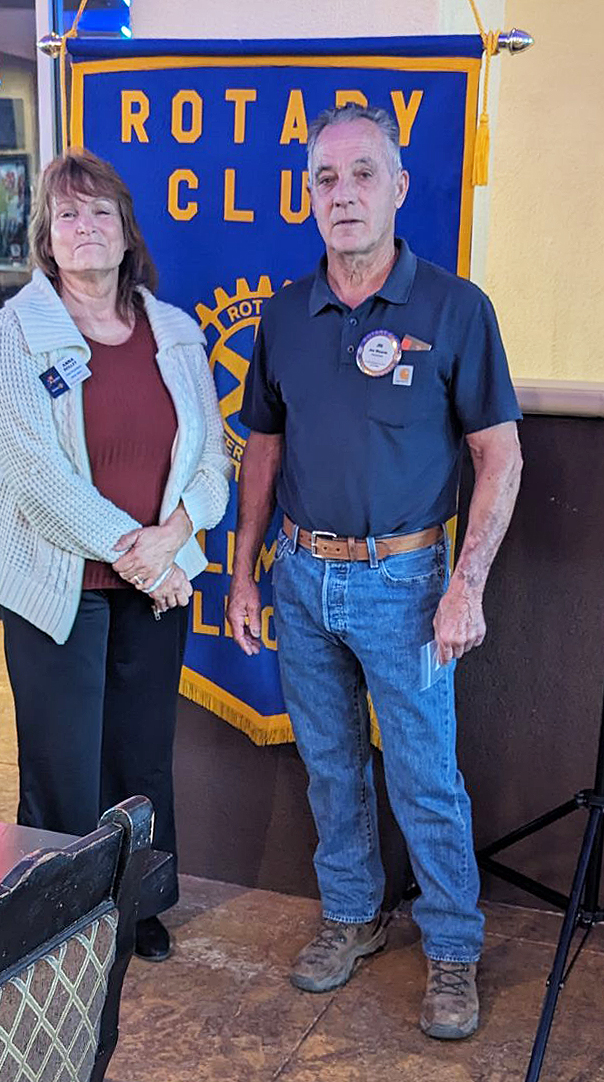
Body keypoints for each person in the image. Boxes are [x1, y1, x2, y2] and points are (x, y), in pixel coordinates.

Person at [228, 104, 522, 1040]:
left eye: (362, 174)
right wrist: (242, 575)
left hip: (409, 587)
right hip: (302, 582)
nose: (342, 194)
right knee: (329, 768)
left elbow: (499, 456)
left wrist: (464, 583)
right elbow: (261, 454)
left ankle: (450, 950)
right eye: (324, 178)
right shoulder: (284, 314)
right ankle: (353, 918)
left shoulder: (454, 309)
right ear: (308, 196)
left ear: (398, 188)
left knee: (425, 776)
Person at [0, 149, 230, 962]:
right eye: (66, 215)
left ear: (126, 231)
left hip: (152, 583)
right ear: (46, 239)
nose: (84, 228)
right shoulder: (17, 331)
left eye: (100, 213)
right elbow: (33, 475)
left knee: (139, 753)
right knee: (62, 768)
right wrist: (137, 551)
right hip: (57, 586)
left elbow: (211, 463)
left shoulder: (177, 331)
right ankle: (59, 925)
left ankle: (138, 905)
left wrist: (175, 538)